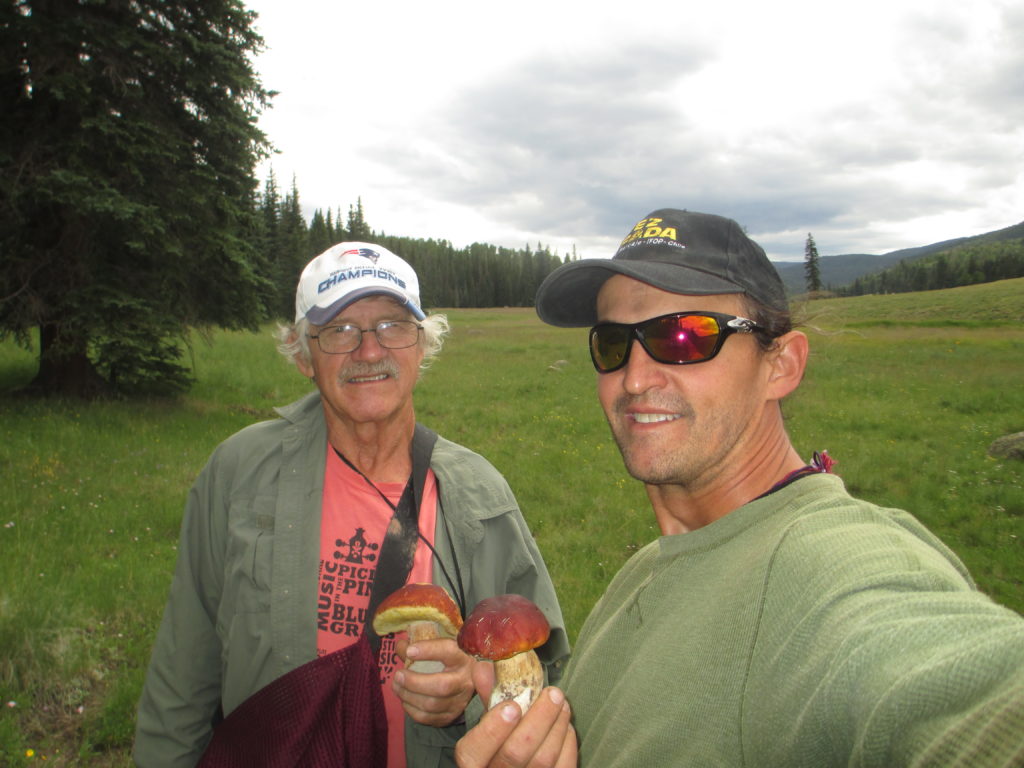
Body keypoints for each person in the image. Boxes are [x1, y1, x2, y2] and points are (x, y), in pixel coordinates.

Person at [455, 209, 1024, 767]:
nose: (633, 377)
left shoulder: (835, 567)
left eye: (684, 336)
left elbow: (947, 687)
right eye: (611, 343)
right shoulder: (649, 567)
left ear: (782, 363)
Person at [134, 242, 569, 768]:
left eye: (392, 325)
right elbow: (182, 674)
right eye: (339, 330)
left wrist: (473, 693)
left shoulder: (479, 495)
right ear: (301, 354)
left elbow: (546, 671)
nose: (368, 351)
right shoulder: (240, 472)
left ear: (421, 345)